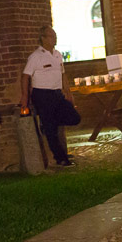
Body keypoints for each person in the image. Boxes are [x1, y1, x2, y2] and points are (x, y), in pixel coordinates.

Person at [20, 26, 82, 167]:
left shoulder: (57, 54)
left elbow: (63, 74)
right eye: (52, 36)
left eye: (55, 35)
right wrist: (25, 95)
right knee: (51, 130)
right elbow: (25, 76)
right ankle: (61, 158)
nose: (55, 38)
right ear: (43, 38)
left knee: (74, 118)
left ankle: (48, 123)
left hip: (57, 93)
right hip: (42, 94)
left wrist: (69, 93)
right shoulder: (36, 56)